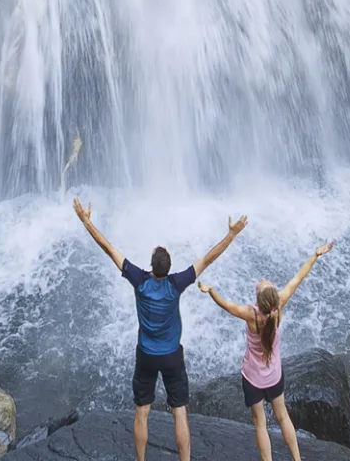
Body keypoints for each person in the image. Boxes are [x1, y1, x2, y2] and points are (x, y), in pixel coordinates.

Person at [73, 197, 249, 461]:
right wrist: (231, 234)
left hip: (146, 354)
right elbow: (209, 258)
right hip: (171, 357)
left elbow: (108, 248)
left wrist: (87, 221)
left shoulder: (139, 280)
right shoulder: (176, 283)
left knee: (142, 411)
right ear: (168, 269)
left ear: (152, 266)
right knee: (180, 411)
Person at [196, 240, 334, 461]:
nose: (262, 280)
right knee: (283, 416)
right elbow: (299, 277)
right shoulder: (278, 307)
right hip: (273, 376)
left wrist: (211, 291)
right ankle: (297, 459)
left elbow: (227, 306)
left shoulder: (250, 315)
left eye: (262, 284)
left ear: (258, 300)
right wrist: (316, 255)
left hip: (252, 378)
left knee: (260, 423)